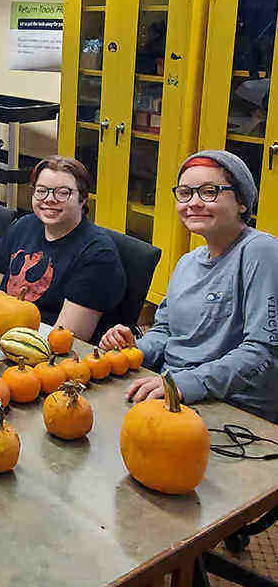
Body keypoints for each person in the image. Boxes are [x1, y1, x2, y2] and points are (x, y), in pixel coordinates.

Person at [100, 150, 278, 422]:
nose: (193, 203)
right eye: (185, 193)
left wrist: (186, 384)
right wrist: (133, 352)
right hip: (171, 389)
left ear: (242, 202)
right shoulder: (187, 262)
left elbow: (263, 351)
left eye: (209, 192)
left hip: (232, 408)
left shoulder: (260, 252)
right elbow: (166, 331)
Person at [0, 155, 126, 343]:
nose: (49, 199)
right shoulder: (23, 226)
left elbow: (65, 339)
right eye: (41, 191)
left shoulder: (98, 254)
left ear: (83, 199)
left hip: (41, 351)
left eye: (62, 193)